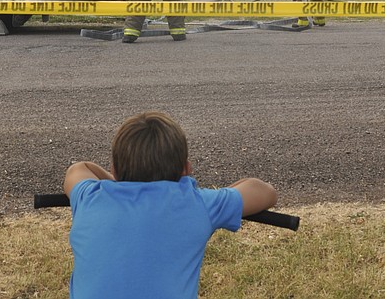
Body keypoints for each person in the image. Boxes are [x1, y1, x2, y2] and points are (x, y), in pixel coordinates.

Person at [64, 111, 277, 299]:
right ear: (186, 169)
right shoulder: (198, 204)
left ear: (115, 169)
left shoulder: (89, 197)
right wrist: (211, 196)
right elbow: (265, 192)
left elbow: (78, 169)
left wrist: (118, 184)